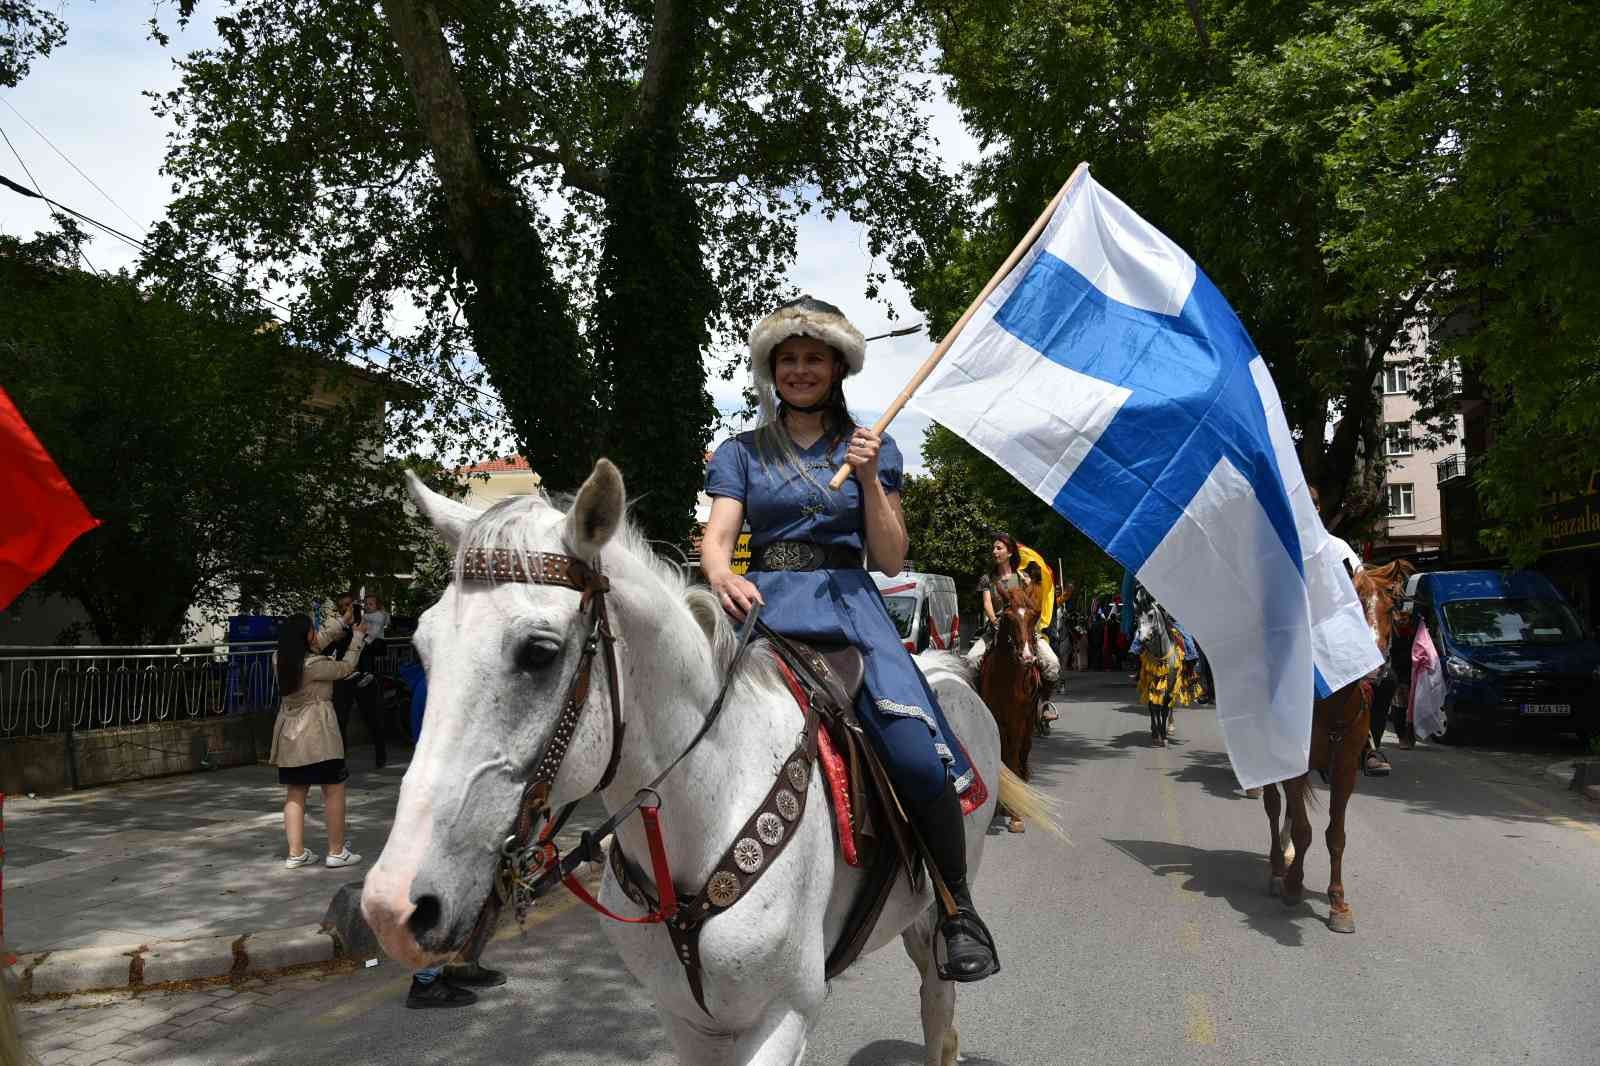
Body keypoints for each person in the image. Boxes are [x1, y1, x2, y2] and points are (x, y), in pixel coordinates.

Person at [701, 295, 998, 982]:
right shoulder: (741, 452)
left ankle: (957, 910)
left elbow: (892, 559)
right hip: (762, 610)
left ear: (837, 367)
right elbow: (717, 541)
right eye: (788, 359)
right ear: (772, 370)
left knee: (919, 759)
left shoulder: (876, 445)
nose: (800, 370)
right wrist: (721, 576)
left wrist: (868, 476)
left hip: (851, 615)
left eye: (813, 358)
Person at [272, 613, 366, 869]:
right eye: (312, 630)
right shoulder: (314, 666)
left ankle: (296, 853)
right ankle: (336, 851)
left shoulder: (280, 658)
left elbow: (317, 641)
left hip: (290, 737)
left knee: (295, 792)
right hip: (318, 734)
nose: (316, 634)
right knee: (333, 789)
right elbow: (345, 667)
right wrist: (357, 637)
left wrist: (342, 621)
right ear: (305, 637)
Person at [966, 535, 1061, 687]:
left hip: (1024, 629)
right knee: (971, 661)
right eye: (993, 548)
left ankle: (1045, 703)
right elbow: (987, 603)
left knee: (1052, 663)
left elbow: (1032, 606)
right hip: (996, 629)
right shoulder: (987, 579)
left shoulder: (1023, 577)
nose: (994, 551)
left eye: (999, 548)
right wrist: (994, 621)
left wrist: (1030, 587)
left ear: (1009, 553)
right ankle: (977, 701)